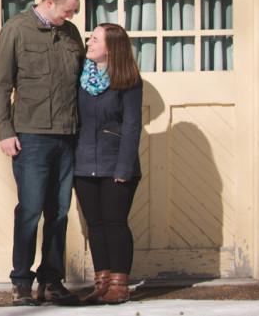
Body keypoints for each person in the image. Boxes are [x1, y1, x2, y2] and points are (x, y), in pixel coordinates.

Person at [0, 0, 85, 306]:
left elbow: (82, 83)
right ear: (49, 2)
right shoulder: (16, 30)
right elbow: (3, 85)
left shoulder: (71, 34)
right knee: (30, 211)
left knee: (59, 213)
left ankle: (52, 281)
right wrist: (5, 131)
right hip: (31, 136)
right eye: (68, 10)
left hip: (67, 136)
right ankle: (21, 283)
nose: (72, 16)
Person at [73, 23, 144, 305]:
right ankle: (101, 283)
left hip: (116, 163)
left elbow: (132, 125)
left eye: (94, 39)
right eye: (89, 38)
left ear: (111, 47)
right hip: (84, 162)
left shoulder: (128, 79)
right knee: (95, 225)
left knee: (115, 224)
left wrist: (124, 168)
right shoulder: (82, 77)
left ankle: (119, 284)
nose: (88, 43)